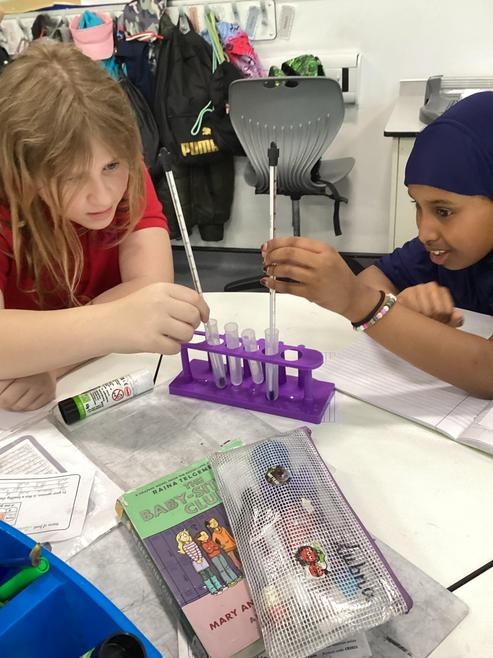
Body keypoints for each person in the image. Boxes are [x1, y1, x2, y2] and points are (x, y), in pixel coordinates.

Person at [0, 40, 208, 411]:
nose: (103, 197)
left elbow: (149, 287)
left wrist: (48, 360)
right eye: (69, 177)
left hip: (84, 377)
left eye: (111, 166)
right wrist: (114, 322)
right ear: (23, 173)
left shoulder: (126, 171)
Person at [261, 91, 493, 399]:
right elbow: (372, 279)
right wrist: (400, 306)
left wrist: (364, 305)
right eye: (417, 206)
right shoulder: (434, 251)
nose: (425, 232)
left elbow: (487, 372)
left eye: (443, 211)